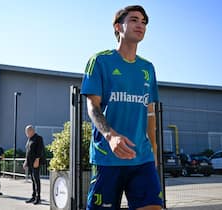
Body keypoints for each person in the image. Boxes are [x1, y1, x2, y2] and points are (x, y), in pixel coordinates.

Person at [81, 5, 163, 210]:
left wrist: (153, 149)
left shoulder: (148, 68)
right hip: (107, 158)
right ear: (118, 26)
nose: (141, 25)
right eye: (134, 20)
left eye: (144, 22)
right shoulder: (99, 61)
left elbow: (150, 111)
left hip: (141, 158)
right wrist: (111, 136)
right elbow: (92, 106)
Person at [23, 125, 44, 205]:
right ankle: (33, 196)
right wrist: (25, 161)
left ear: (31, 131)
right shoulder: (29, 139)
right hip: (30, 162)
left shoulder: (38, 138)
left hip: (35, 162)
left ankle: (38, 198)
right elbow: (28, 151)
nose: (26, 133)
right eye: (26, 132)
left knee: (36, 180)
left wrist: (37, 160)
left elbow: (40, 149)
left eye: (27, 132)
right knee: (32, 180)